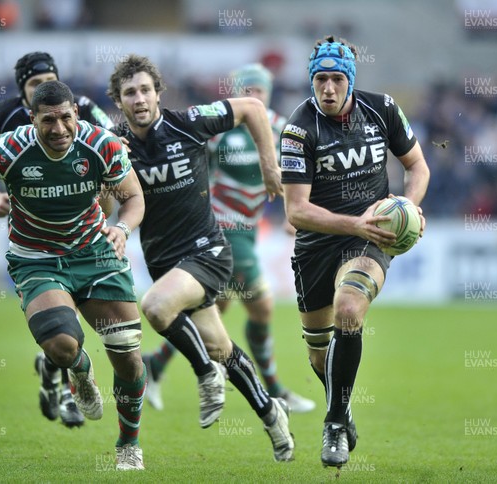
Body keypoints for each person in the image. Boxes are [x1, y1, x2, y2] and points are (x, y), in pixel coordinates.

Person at [0, 80, 147, 470]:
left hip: (95, 255)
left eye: (65, 118)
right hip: (36, 258)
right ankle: (80, 371)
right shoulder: (10, 147)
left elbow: (134, 196)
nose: (58, 128)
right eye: (48, 121)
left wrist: (122, 229)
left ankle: (128, 446)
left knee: (127, 356)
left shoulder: (100, 143)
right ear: (33, 119)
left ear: (76, 113)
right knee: (61, 347)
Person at [107, 54, 294, 462]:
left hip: (207, 252)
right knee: (222, 347)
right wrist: (109, 173)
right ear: (119, 101)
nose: (139, 99)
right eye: (129, 93)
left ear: (158, 93)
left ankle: (206, 375)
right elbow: (108, 203)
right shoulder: (114, 145)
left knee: (155, 307)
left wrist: (268, 165)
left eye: (144, 90)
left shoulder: (188, 122)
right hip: (165, 263)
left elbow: (252, 108)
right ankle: (270, 412)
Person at [281, 36, 430, 468]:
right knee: (317, 353)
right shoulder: (298, 128)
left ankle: (332, 424)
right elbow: (297, 211)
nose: (328, 88)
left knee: (349, 309)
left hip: (369, 239)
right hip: (316, 243)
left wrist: (410, 208)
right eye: (321, 79)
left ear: (351, 80)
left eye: (337, 79)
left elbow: (417, 165)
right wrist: (353, 222)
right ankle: (343, 407)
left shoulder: (382, 109)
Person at [140, 63, 315, 415]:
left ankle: (154, 367)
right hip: (223, 230)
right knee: (262, 305)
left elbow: (301, 168)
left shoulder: (282, 128)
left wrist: (297, 211)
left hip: (250, 231)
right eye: (246, 91)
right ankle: (275, 390)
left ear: (268, 93)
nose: (254, 97)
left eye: (260, 90)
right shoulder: (219, 135)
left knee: (214, 309)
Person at [0, 51, 115, 428]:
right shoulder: (1, 116)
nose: (41, 88)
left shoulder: (84, 109)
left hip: (78, 230)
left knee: (66, 320)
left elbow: (113, 150)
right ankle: (64, 383)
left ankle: (58, 378)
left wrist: (99, 208)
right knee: (60, 316)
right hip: (29, 234)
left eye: (48, 79)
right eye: (32, 84)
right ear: (22, 92)